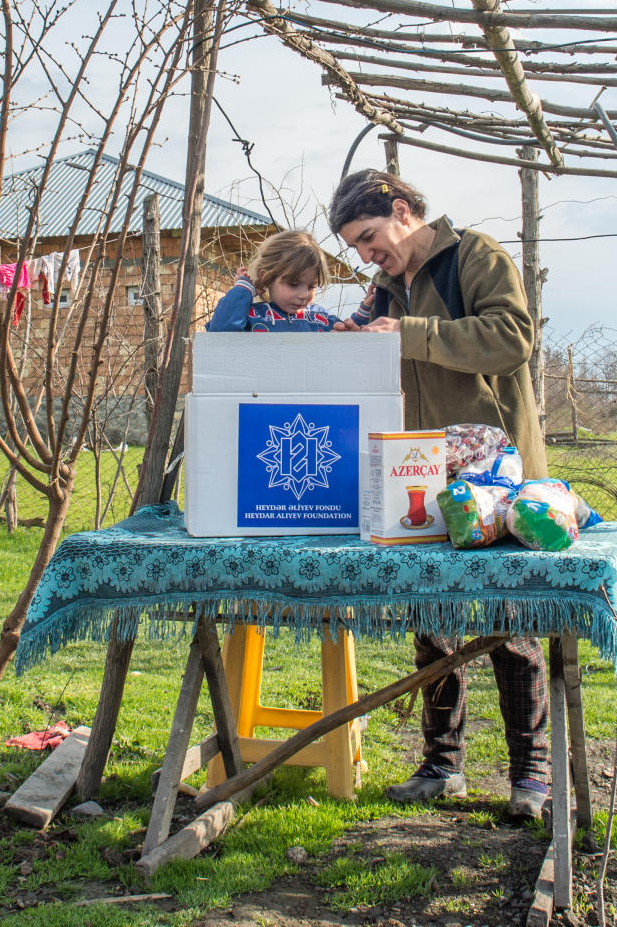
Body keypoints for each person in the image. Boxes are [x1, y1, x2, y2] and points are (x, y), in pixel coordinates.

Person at [328, 168, 552, 821]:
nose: (367, 255)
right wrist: (352, 344)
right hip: (420, 471)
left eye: (369, 238)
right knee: (433, 621)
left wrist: (410, 332)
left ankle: (531, 776)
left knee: (510, 624)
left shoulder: (474, 257)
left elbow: (513, 340)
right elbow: (374, 349)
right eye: (358, 248)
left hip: (498, 476)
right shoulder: (382, 288)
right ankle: (441, 766)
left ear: (401, 211)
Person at [206, 229, 375, 333]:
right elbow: (221, 331)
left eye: (311, 286)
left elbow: (348, 336)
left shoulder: (319, 318)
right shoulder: (253, 315)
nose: (303, 295)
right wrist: (242, 290)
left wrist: (362, 315)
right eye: (293, 284)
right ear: (267, 277)